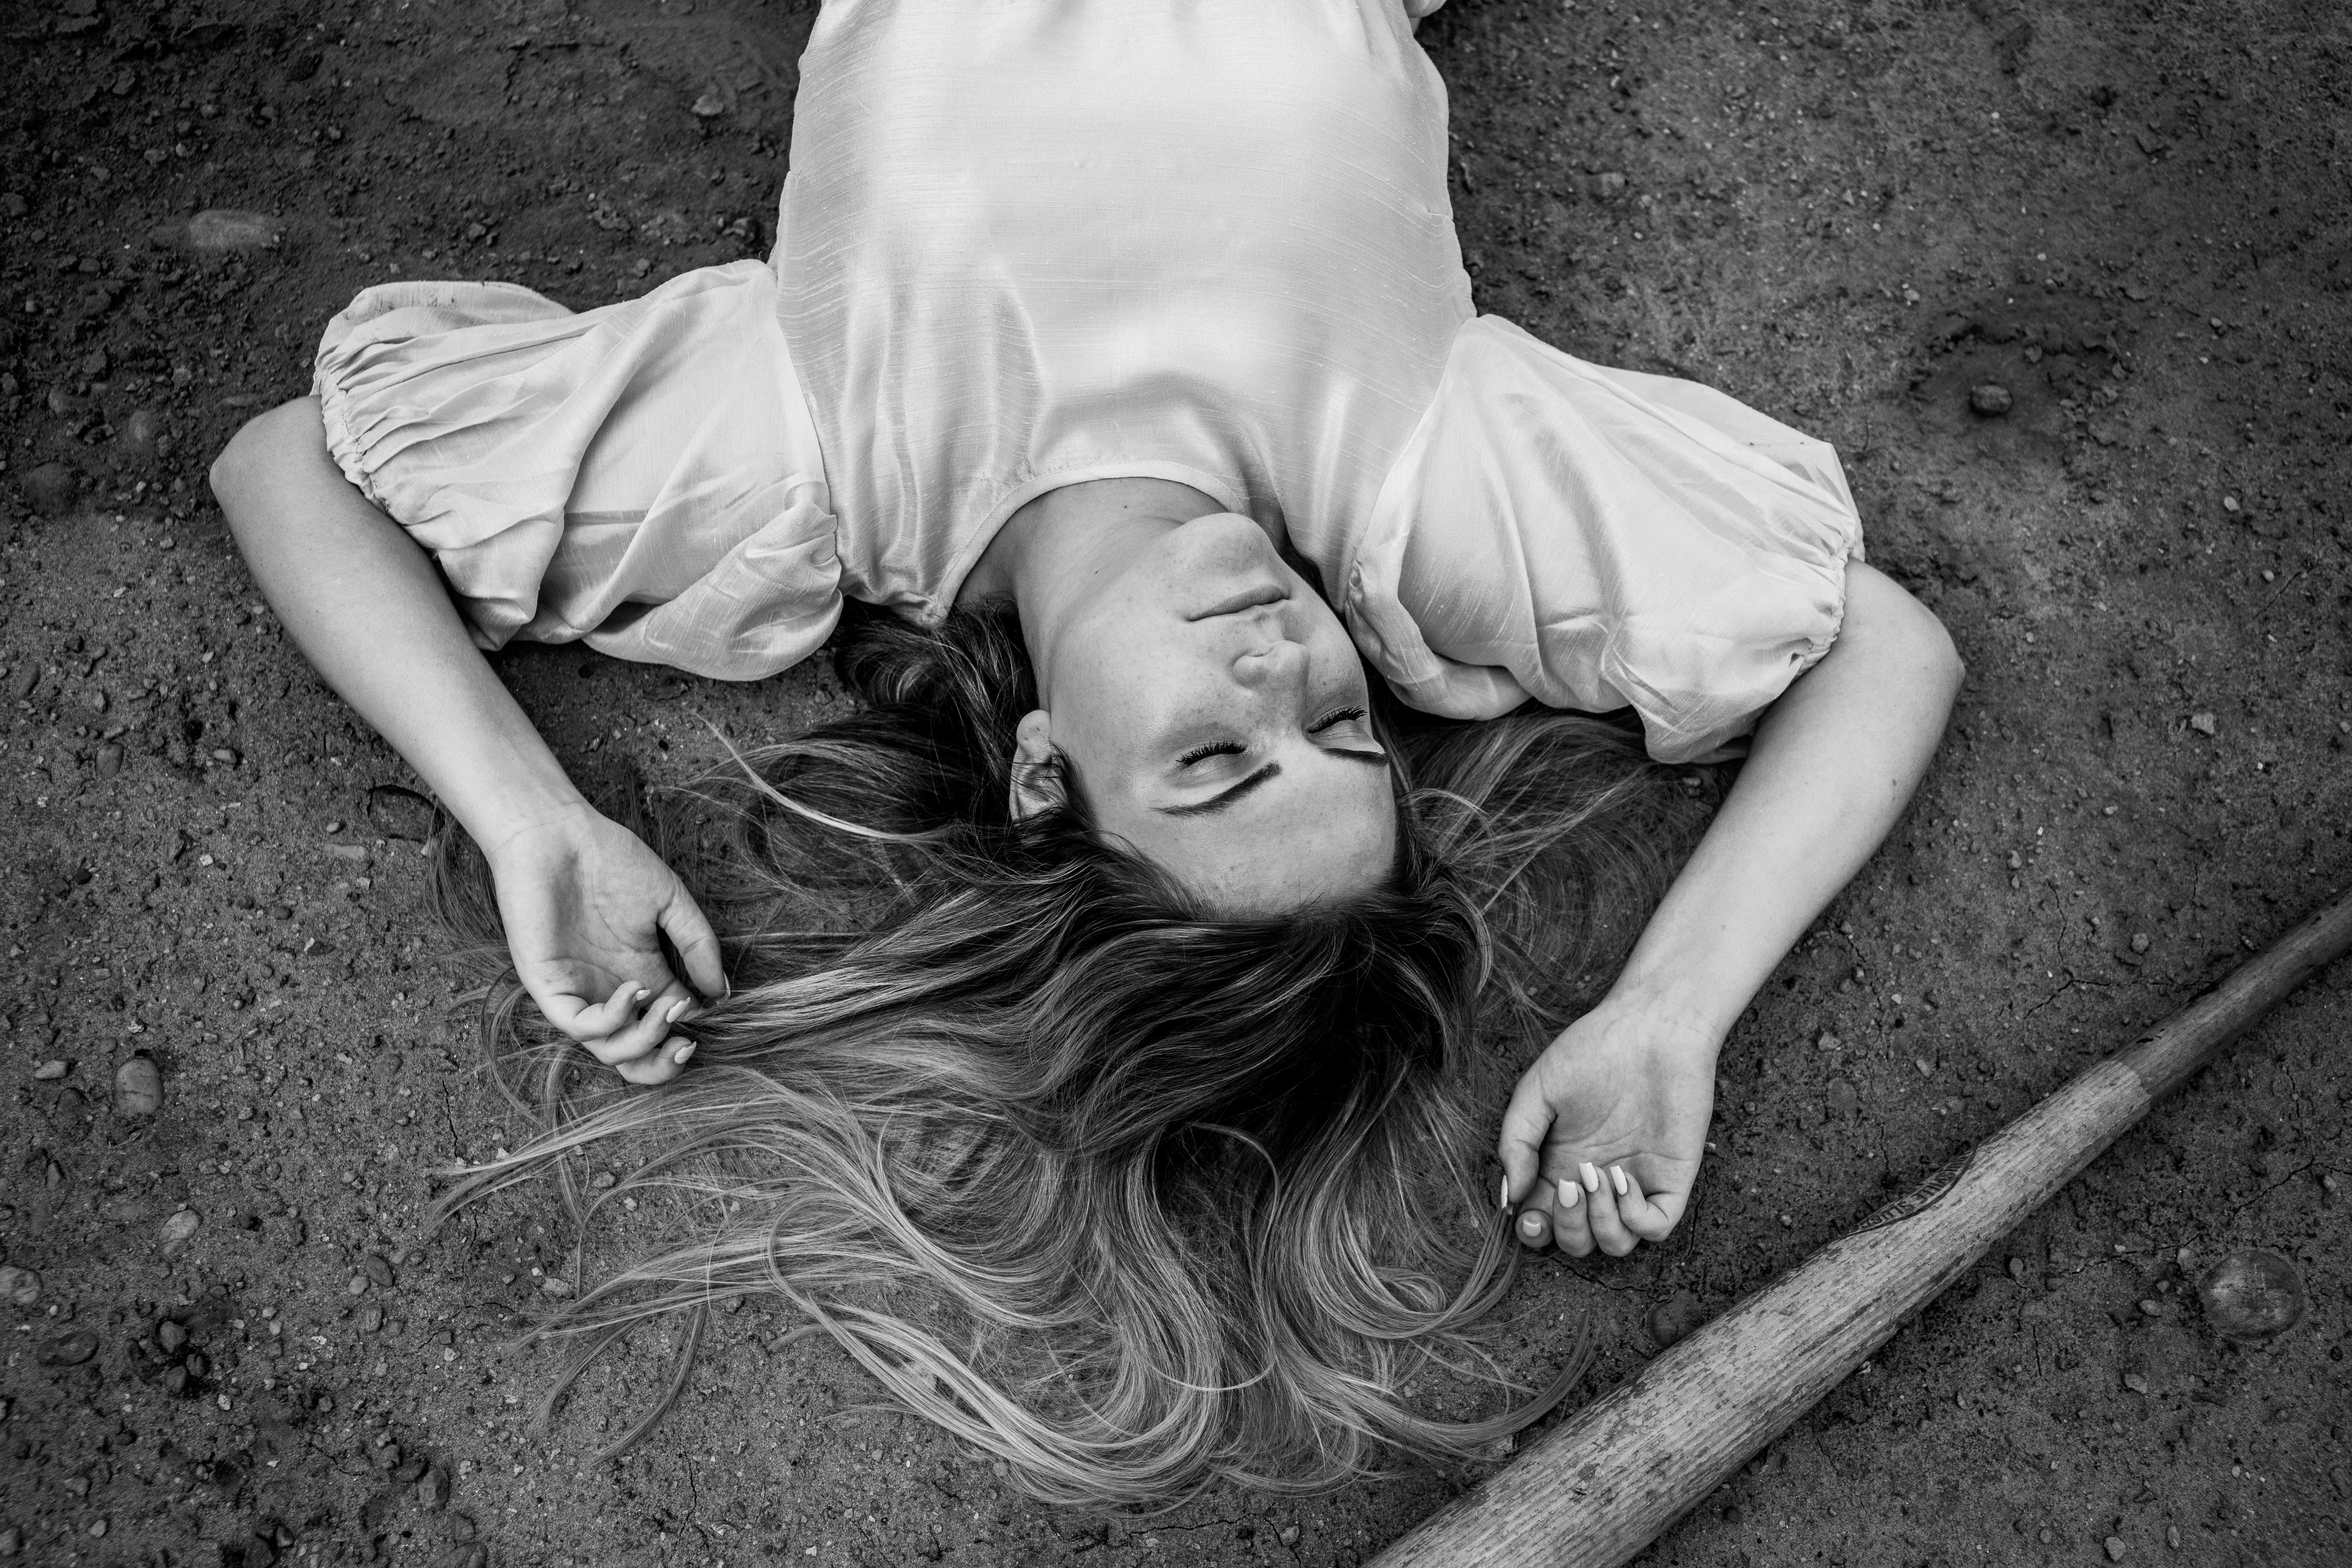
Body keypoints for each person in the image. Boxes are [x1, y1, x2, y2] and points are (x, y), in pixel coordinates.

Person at [208, 0, 1961, 1505]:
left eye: (1218, 760)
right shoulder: (1419, 490)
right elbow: (1884, 646)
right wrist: (1668, 1013)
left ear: (1047, 776)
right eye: (1343, 727)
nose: (1280, 661)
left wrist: (534, 823)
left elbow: (289, 463)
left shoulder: (807, 469)